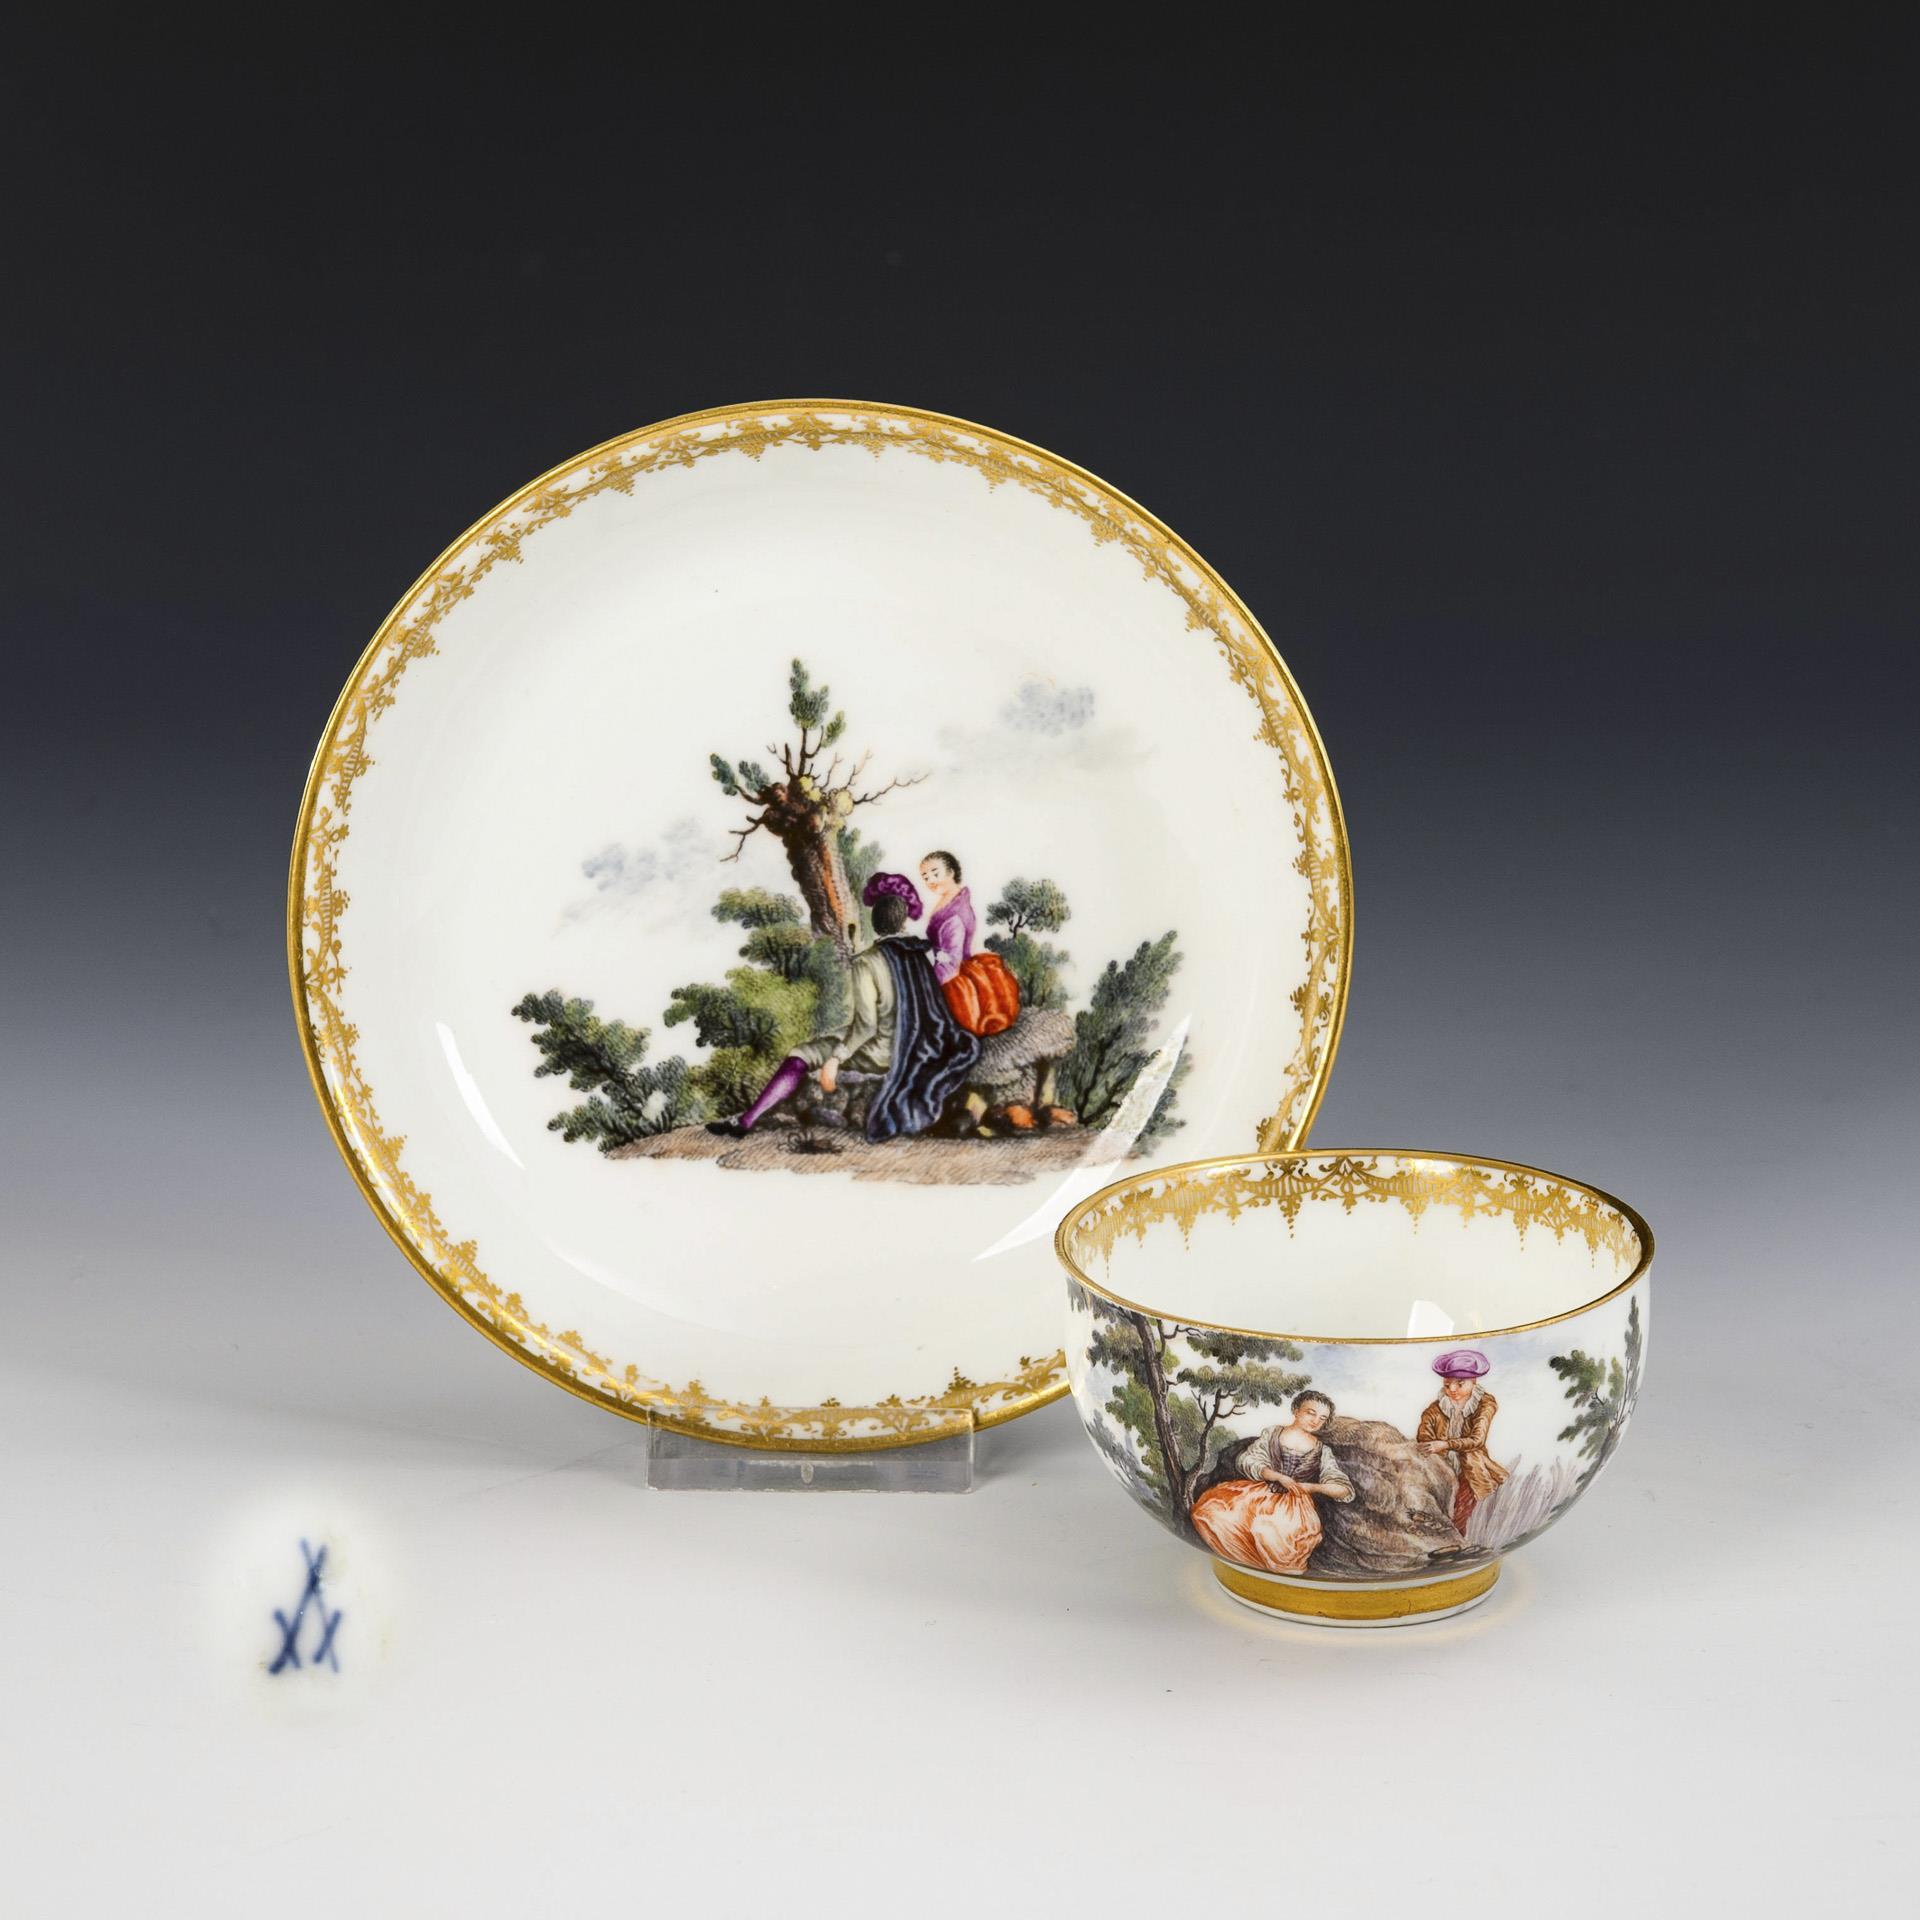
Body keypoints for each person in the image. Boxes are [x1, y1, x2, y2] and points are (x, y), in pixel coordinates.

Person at [709, 872, 979, 1143]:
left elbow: (866, 1026)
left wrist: (836, 1058)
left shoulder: (867, 962)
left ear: (876, 922)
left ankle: (745, 1121)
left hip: (882, 1052)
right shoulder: (919, 955)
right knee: (833, 1034)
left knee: (800, 1056)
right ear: (903, 920)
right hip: (914, 1045)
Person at [1189, 1391, 1354, 1575]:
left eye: (1322, 1418)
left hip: (1294, 1506)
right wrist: (1277, 1476)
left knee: (1269, 1531)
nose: (1316, 1421)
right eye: (1311, 1413)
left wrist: (1311, 1487)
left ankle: (1279, 1580)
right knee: (1214, 1514)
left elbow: (1342, 1489)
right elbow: (1247, 1460)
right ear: (1296, 1410)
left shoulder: (1322, 1450)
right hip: (1261, 1494)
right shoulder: (1273, 1433)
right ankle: (1249, 1570)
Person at [919, 850, 1021, 1037]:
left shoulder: (955, 914)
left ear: (951, 872)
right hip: (945, 966)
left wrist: (925, 984)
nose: (930, 881)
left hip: (952, 978)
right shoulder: (949, 900)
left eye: (935, 873)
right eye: (925, 877)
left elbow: (951, 964)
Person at [1416, 1349, 1508, 1534]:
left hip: (1470, 1468)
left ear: (1474, 1382)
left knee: (1461, 1512)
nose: (1452, 1389)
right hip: (1441, 1468)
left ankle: (1459, 1542)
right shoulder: (1433, 1410)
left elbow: (1477, 1440)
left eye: (1460, 1383)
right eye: (1447, 1384)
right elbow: (1424, 1439)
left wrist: (1445, 1444)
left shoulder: (1484, 1404)